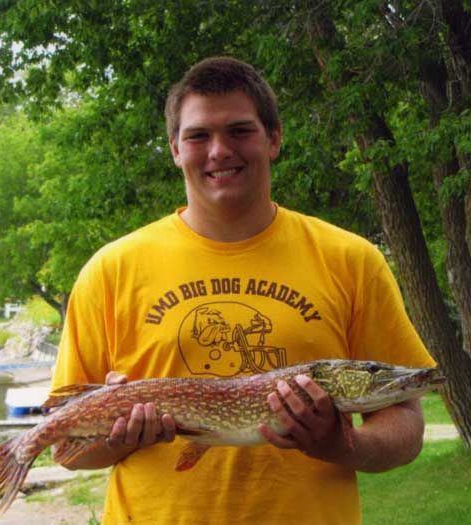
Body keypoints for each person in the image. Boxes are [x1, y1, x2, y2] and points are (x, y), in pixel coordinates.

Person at [51, 56, 436, 524]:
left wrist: (343, 444)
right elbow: (66, 452)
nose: (218, 151)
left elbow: (407, 425)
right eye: (198, 135)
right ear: (175, 148)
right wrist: (119, 437)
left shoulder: (350, 259)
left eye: (239, 131)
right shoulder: (110, 270)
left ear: (273, 139)